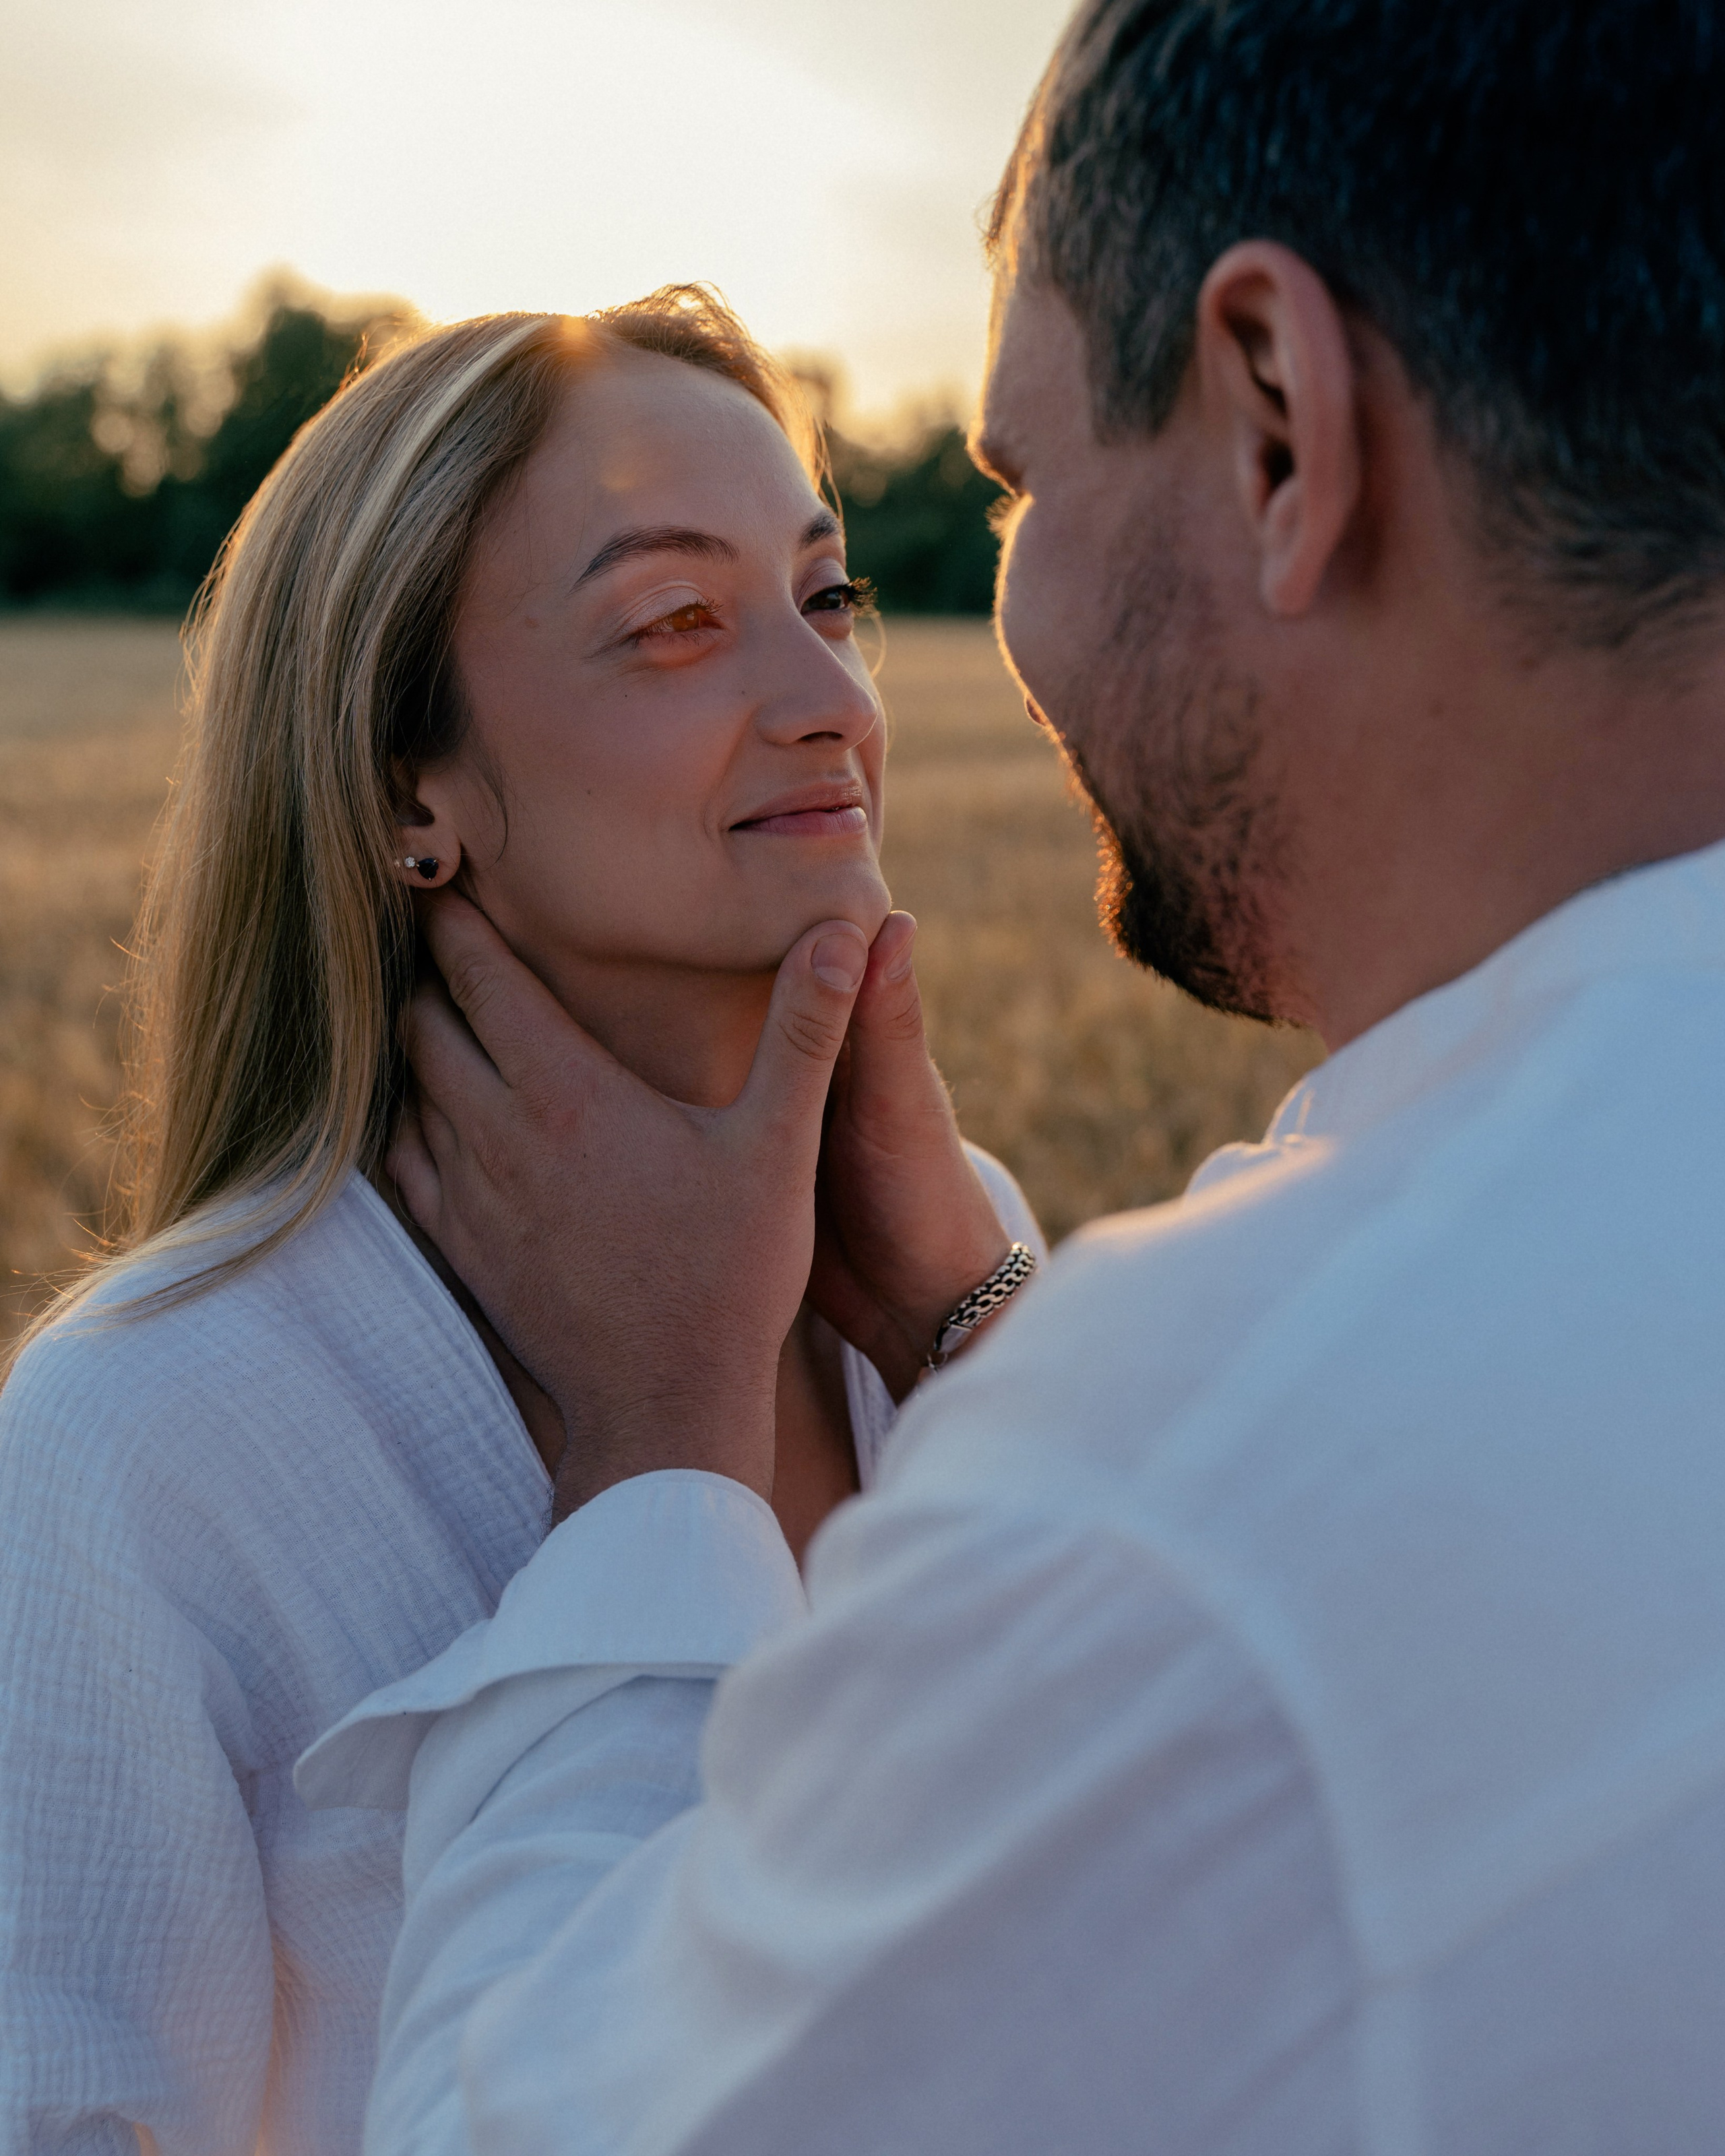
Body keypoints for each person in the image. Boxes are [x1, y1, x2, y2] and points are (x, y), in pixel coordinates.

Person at [300, 1, 1725, 2149]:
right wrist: (977, 1333)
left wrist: (663, 1459)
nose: (860, 694)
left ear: (1275, 424)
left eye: (1021, 480)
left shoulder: (1201, 1496)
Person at [0, 288, 1040, 2155]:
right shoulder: (137, 1444)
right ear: (415, 787)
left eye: (826, 600)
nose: (832, 705)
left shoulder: (957, 1275)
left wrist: (975, 1320)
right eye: (676, 625)